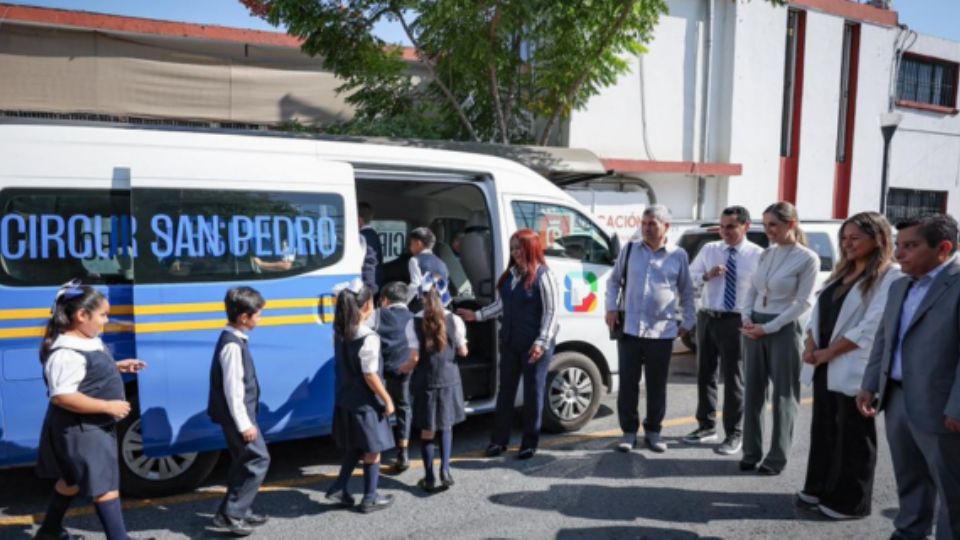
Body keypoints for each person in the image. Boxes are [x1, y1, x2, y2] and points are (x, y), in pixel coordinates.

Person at [857, 214, 960, 540]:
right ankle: (909, 532)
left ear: (943, 248)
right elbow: (884, 339)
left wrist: (958, 406)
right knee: (909, 475)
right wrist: (870, 383)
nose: (898, 254)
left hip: (941, 405)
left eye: (910, 246)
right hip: (897, 397)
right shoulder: (900, 285)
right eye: (898, 245)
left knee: (951, 486)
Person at [798, 212, 899, 520]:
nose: (847, 244)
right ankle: (819, 487)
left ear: (879, 239)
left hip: (853, 364)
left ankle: (851, 502)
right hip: (823, 362)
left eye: (855, 238)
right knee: (825, 429)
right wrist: (811, 344)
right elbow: (819, 314)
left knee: (854, 435)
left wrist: (829, 353)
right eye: (844, 238)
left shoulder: (889, 275)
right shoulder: (842, 273)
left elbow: (873, 326)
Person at [35, 280, 147, 540]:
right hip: (83, 430)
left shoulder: (87, 340)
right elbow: (62, 396)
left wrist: (116, 366)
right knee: (106, 487)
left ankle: (50, 531)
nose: (106, 321)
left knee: (70, 481)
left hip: (82, 428)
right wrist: (108, 405)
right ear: (82, 315)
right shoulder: (66, 352)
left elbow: (87, 374)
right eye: (103, 315)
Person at [458, 228, 560, 460]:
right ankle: (499, 441)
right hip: (511, 341)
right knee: (506, 392)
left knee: (533, 394)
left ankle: (529, 443)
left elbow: (551, 312)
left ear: (532, 248)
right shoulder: (509, 276)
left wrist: (542, 342)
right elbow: (501, 305)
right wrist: (477, 315)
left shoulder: (544, 275)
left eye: (520, 248)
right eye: (513, 248)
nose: (516, 253)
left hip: (535, 344)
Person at [604, 205, 695, 454]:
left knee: (656, 386)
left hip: (662, 332)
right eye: (644, 223)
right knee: (628, 385)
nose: (646, 227)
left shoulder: (678, 255)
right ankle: (629, 432)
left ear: (666, 226)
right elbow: (613, 282)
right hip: (630, 330)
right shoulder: (631, 249)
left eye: (652, 223)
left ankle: (653, 431)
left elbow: (686, 291)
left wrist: (688, 321)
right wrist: (611, 308)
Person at [739, 201, 819, 475]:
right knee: (752, 391)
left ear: (791, 224)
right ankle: (750, 451)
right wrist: (747, 317)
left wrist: (769, 327)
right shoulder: (766, 254)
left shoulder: (807, 258)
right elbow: (752, 289)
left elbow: (803, 302)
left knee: (784, 395)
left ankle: (776, 458)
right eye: (765, 224)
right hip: (754, 327)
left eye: (773, 224)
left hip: (783, 329)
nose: (768, 230)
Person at [683, 206, 763, 455]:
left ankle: (734, 433)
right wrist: (706, 276)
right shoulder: (710, 250)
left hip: (736, 320)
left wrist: (753, 320)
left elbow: (762, 292)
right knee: (705, 373)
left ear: (745, 226)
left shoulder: (758, 255)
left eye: (731, 226)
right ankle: (706, 426)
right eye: (722, 226)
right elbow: (688, 277)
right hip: (708, 316)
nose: (724, 231)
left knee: (733, 378)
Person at [325, 278, 396, 513]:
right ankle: (370, 497)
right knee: (372, 449)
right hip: (366, 403)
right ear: (367, 305)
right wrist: (387, 399)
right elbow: (370, 375)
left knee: (356, 446)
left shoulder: (339, 333)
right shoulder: (368, 337)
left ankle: (339, 486)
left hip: (345, 398)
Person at [207, 286, 271, 536]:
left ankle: (238, 509)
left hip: (239, 415)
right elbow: (233, 389)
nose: (261, 318)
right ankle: (231, 514)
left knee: (243, 460)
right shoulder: (232, 346)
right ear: (244, 317)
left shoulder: (236, 340)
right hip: (238, 417)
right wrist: (245, 424)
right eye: (258, 314)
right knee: (258, 459)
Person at [400, 275, 468, 492]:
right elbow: (463, 351)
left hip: (425, 381)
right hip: (448, 379)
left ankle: (429, 477)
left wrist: (402, 369)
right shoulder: (454, 320)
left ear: (421, 296)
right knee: (446, 426)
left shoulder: (413, 322)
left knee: (428, 430)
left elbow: (414, 358)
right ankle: (445, 470)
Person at [369, 281, 415, 472]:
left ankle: (379, 449)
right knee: (404, 408)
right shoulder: (413, 317)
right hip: (405, 370)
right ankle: (403, 451)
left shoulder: (378, 315)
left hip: (382, 371)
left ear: (385, 300)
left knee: (381, 408)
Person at [407, 227, 450, 305]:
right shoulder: (442, 263)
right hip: (440, 307)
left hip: (423, 307)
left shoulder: (415, 260)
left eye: (411, 244)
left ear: (418, 244)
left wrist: (403, 303)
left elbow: (415, 285)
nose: (410, 247)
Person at [359, 202, 384, 291]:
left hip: (367, 282)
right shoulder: (373, 234)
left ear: (359, 219)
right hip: (377, 280)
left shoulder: (361, 236)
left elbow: (359, 261)